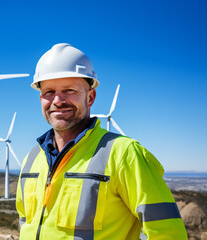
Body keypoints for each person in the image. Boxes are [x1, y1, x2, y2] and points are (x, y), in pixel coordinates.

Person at [16, 43, 187, 240]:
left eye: (69, 90)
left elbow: (167, 233)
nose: (57, 100)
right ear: (40, 99)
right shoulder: (32, 158)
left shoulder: (124, 154)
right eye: (49, 92)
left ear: (91, 97)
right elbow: (26, 224)